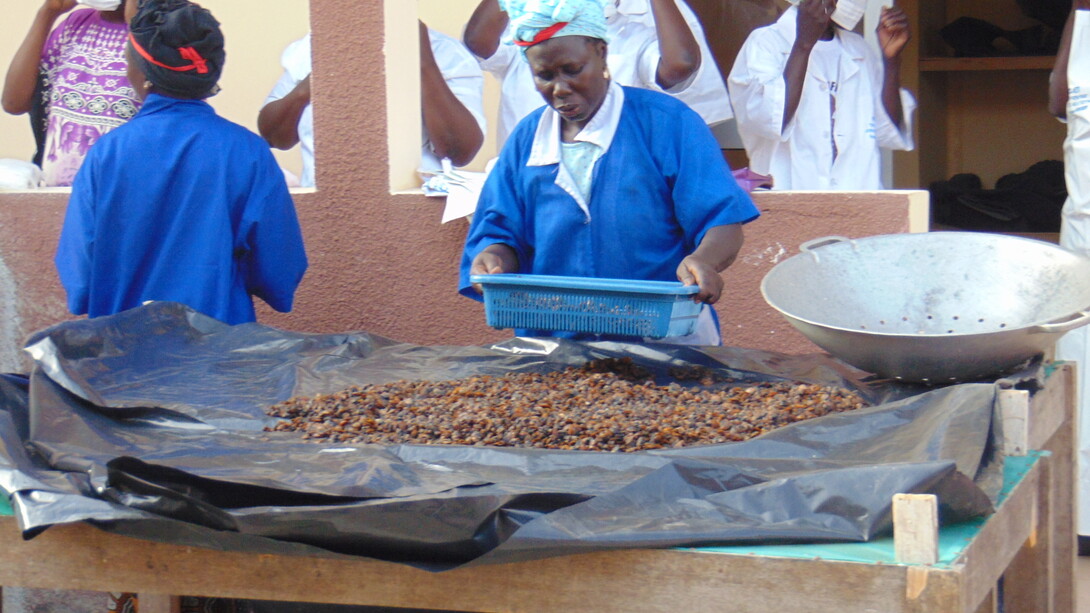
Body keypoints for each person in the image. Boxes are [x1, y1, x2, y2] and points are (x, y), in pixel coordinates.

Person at [459, 0, 759, 346]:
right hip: (556, 344)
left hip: (666, 339)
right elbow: (499, 231)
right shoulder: (526, 140)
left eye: (572, 69)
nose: (559, 88)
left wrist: (704, 260)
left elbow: (722, 220)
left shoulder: (667, 123)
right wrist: (492, 260)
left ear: (602, 54)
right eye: (545, 75)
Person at [54, 0, 308, 327]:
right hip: (221, 357)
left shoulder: (107, 153)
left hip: (124, 361)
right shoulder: (248, 152)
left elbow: (80, 278)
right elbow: (280, 272)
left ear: (143, 73)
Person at [463, 0, 731, 150]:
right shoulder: (527, 23)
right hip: (532, 187)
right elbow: (479, 42)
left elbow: (679, 65)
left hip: (614, 181)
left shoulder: (632, 33)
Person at [258, 24, 486, 187]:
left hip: (413, 217)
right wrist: (305, 90)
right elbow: (274, 137)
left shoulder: (448, 55)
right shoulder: (308, 49)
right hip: (324, 215)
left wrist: (423, 62)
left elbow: (461, 152)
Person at [727, 0, 916, 190]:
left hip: (856, 204)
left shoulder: (858, 49)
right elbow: (771, 120)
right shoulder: (765, 44)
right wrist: (803, 43)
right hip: (787, 203)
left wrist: (891, 61)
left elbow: (887, 130)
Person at [2, 0, 142, 187]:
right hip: (55, 199)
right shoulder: (76, 23)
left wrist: (139, 25)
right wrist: (47, 13)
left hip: (119, 196)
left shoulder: (172, 29)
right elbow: (14, 103)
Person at [1049, 0, 1090, 557]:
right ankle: (1081, 516)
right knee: (1080, 372)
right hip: (1083, 232)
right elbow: (1059, 99)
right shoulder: (1083, 22)